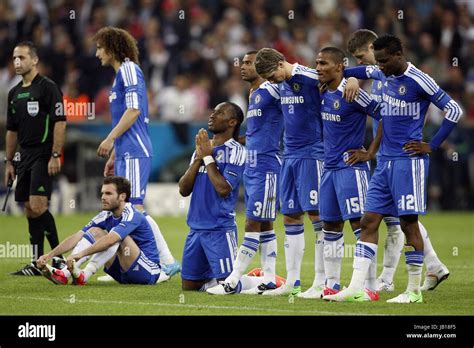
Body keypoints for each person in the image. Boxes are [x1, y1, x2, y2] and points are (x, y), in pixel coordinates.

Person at [324, 35, 462, 303]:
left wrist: (431, 145)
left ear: (400, 55)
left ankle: (412, 291)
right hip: (384, 162)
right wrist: (347, 79)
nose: (381, 68)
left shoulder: (420, 80)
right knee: (368, 221)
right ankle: (358, 288)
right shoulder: (381, 70)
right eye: (379, 63)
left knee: (408, 223)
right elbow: (346, 69)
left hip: (407, 162)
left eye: (385, 62)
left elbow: (454, 110)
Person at [250, 48, 359, 297]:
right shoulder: (281, 83)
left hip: (314, 154)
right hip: (289, 155)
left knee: (318, 217)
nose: (271, 81)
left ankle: (323, 281)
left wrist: (353, 78)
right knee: (290, 216)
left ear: (281, 63)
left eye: (271, 75)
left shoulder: (310, 77)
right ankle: (293, 281)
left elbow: (337, 73)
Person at [92, 27, 180, 279]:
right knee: (126, 209)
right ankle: (125, 263)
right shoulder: (120, 75)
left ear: (111, 47)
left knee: (134, 208)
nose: (97, 53)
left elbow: (133, 111)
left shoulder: (129, 69)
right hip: (125, 151)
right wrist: (114, 154)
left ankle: (166, 261)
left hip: (135, 150)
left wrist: (110, 140)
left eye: (100, 47)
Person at [179, 102, 283, 292]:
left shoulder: (236, 151)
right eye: (213, 111)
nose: (212, 115)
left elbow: (224, 189)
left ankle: (266, 280)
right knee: (190, 287)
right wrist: (199, 158)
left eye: (219, 113)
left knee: (228, 287)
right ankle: (241, 278)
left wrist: (208, 158)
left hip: (220, 229)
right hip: (195, 228)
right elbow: (184, 190)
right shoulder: (201, 148)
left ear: (232, 122)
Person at [206, 51, 284, 295]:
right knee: (265, 223)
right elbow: (255, 134)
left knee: (252, 221)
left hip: (267, 164)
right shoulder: (253, 93)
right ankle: (269, 278)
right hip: (254, 164)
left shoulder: (273, 89)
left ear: (263, 66)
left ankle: (232, 281)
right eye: (243, 62)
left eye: (249, 63)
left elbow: (295, 107)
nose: (243, 66)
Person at [316, 47, 382, 301]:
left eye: (324, 63)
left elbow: (384, 115)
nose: (319, 67)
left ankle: (369, 287)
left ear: (339, 66)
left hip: (351, 168)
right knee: (330, 226)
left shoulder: (353, 93)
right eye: (317, 63)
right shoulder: (322, 90)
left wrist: (371, 152)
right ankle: (332, 284)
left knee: (361, 225)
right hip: (329, 168)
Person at [5, 41, 66, 276]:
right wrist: (9, 162)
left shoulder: (48, 88)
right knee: (30, 208)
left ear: (34, 60)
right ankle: (37, 263)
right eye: (14, 58)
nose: (17, 62)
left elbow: (61, 123)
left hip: (44, 152)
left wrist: (55, 154)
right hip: (24, 155)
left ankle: (57, 258)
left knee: (39, 205)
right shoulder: (14, 93)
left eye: (22, 57)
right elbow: (11, 131)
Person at [36, 176, 162, 285]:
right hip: (122, 273)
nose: (103, 197)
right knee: (94, 231)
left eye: (108, 194)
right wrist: (49, 255)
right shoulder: (105, 215)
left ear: (122, 196)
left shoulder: (133, 215)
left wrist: (80, 254)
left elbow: (110, 240)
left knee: (117, 237)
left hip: (147, 272)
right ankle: (64, 274)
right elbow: (77, 237)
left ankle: (85, 274)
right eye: (102, 193)